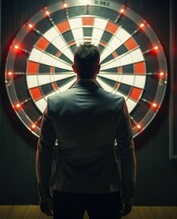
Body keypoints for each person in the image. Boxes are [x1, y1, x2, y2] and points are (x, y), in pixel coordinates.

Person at [35, 43, 136, 219]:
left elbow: (45, 152)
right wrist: (129, 192)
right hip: (106, 187)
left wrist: (43, 192)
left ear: (74, 68)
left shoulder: (54, 103)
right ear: (98, 68)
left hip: (66, 187)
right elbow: (127, 150)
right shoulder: (117, 104)